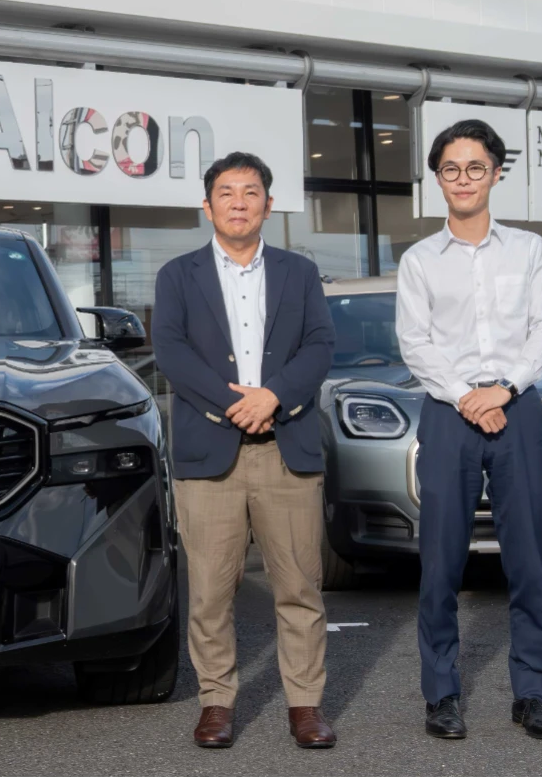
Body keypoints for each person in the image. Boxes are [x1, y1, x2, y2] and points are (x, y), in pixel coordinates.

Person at [152, 151, 338, 750]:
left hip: (287, 448)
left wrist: (274, 397)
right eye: (226, 193)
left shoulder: (299, 272)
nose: (239, 202)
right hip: (211, 455)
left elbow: (320, 345)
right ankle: (217, 702)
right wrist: (235, 404)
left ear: (268, 204)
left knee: (300, 587)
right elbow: (171, 352)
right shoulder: (177, 275)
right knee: (210, 591)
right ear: (207, 207)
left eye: (250, 192)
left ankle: (305, 705)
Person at [396, 119, 542, 741]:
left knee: (527, 560)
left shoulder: (529, 250)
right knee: (441, 562)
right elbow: (415, 343)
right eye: (451, 169)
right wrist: (468, 397)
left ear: (495, 173)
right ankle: (442, 694)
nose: (463, 179)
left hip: (516, 409)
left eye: (474, 167)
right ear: (438, 179)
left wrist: (505, 389)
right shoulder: (419, 260)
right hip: (449, 413)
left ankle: (534, 694)